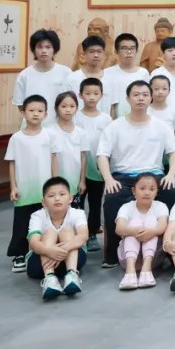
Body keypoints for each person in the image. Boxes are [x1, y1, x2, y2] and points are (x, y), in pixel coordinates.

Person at [97, 81, 175, 269]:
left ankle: (167, 249)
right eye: (136, 95)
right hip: (123, 176)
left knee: (171, 191)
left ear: (150, 98)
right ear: (128, 99)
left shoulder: (160, 126)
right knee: (112, 197)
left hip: (154, 175)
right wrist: (108, 179)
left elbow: (174, 151)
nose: (141, 98)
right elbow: (102, 155)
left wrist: (171, 174)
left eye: (145, 94)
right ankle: (113, 255)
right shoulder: (114, 126)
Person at [6, 95, 54, 274]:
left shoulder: (49, 135)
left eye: (40, 111)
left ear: (46, 114)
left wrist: (55, 184)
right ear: (23, 113)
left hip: (44, 189)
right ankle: (19, 254)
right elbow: (12, 162)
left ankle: (40, 250)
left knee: (45, 221)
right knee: (21, 222)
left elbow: (53, 160)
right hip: (24, 190)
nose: (35, 114)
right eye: (31, 110)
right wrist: (13, 186)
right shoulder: (16, 138)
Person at [26, 176, 88, 300]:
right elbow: (33, 242)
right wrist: (49, 251)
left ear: (70, 198)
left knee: (67, 231)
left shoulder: (77, 213)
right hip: (40, 265)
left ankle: (71, 275)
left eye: (62, 194)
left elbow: (83, 236)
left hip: (73, 260)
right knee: (50, 232)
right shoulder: (37, 216)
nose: (57, 198)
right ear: (43, 202)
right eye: (51, 196)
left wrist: (60, 250)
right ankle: (50, 279)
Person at [114, 172, 169, 290]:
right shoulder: (127, 207)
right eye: (142, 188)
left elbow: (162, 227)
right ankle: (129, 273)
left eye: (152, 189)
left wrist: (151, 232)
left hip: (153, 259)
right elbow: (119, 229)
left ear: (156, 192)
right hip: (127, 259)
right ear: (134, 190)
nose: (147, 192)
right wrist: (136, 231)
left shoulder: (160, 206)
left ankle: (146, 270)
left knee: (151, 222)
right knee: (135, 223)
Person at [13, 29, 72, 126]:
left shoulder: (66, 72)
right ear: (34, 50)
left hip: (59, 126)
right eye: (39, 47)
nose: (44, 51)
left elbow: (72, 101)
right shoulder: (24, 75)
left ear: (54, 49)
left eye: (48, 47)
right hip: (32, 126)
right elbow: (20, 105)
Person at [75, 78, 108, 252]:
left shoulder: (106, 119)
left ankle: (92, 233)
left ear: (101, 95)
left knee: (95, 202)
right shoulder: (75, 116)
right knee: (77, 203)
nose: (92, 97)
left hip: (97, 169)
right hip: (77, 169)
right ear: (80, 95)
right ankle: (77, 235)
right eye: (87, 93)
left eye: (96, 93)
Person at [48, 92, 86, 211]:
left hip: (74, 181)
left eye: (72, 106)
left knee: (74, 213)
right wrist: (54, 182)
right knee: (56, 213)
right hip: (55, 181)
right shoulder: (49, 131)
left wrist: (82, 181)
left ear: (76, 108)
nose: (68, 110)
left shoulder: (80, 132)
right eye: (63, 106)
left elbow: (83, 157)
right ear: (56, 108)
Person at [102, 33, 148, 119]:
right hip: (112, 119)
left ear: (137, 51)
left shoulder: (143, 73)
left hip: (137, 119)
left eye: (132, 48)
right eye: (124, 48)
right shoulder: (107, 73)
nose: (129, 52)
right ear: (116, 51)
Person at [64, 36, 106, 109]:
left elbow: (113, 107)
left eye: (99, 52)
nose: (96, 55)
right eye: (92, 52)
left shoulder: (110, 78)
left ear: (103, 54)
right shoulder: (72, 78)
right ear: (83, 54)